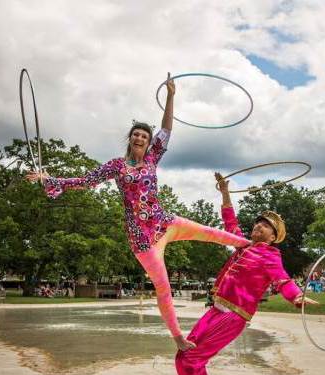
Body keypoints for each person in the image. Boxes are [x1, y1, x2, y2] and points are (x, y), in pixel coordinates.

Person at [27, 74, 249, 351]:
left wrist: (170, 95)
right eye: (137, 134)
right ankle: (178, 337)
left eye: (145, 135)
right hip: (142, 239)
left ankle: (252, 246)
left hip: (164, 221)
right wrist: (49, 179)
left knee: (212, 233)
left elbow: (167, 129)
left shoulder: (154, 156)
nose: (141, 138)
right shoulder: (116, 166)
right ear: (130, 139)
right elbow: (85, 181)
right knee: (163, 287)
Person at [173, 173, 317, 375]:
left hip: (234, 317)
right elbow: (230, 222)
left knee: (193, 359)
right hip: (216, 310)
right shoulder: (242, 245)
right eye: (257, 224)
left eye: (264, 226)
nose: (258, 227)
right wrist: (225, 192)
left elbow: (283, 281)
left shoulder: (270, 255)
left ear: (274, 236)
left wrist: (296, 296)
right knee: (183, 356)